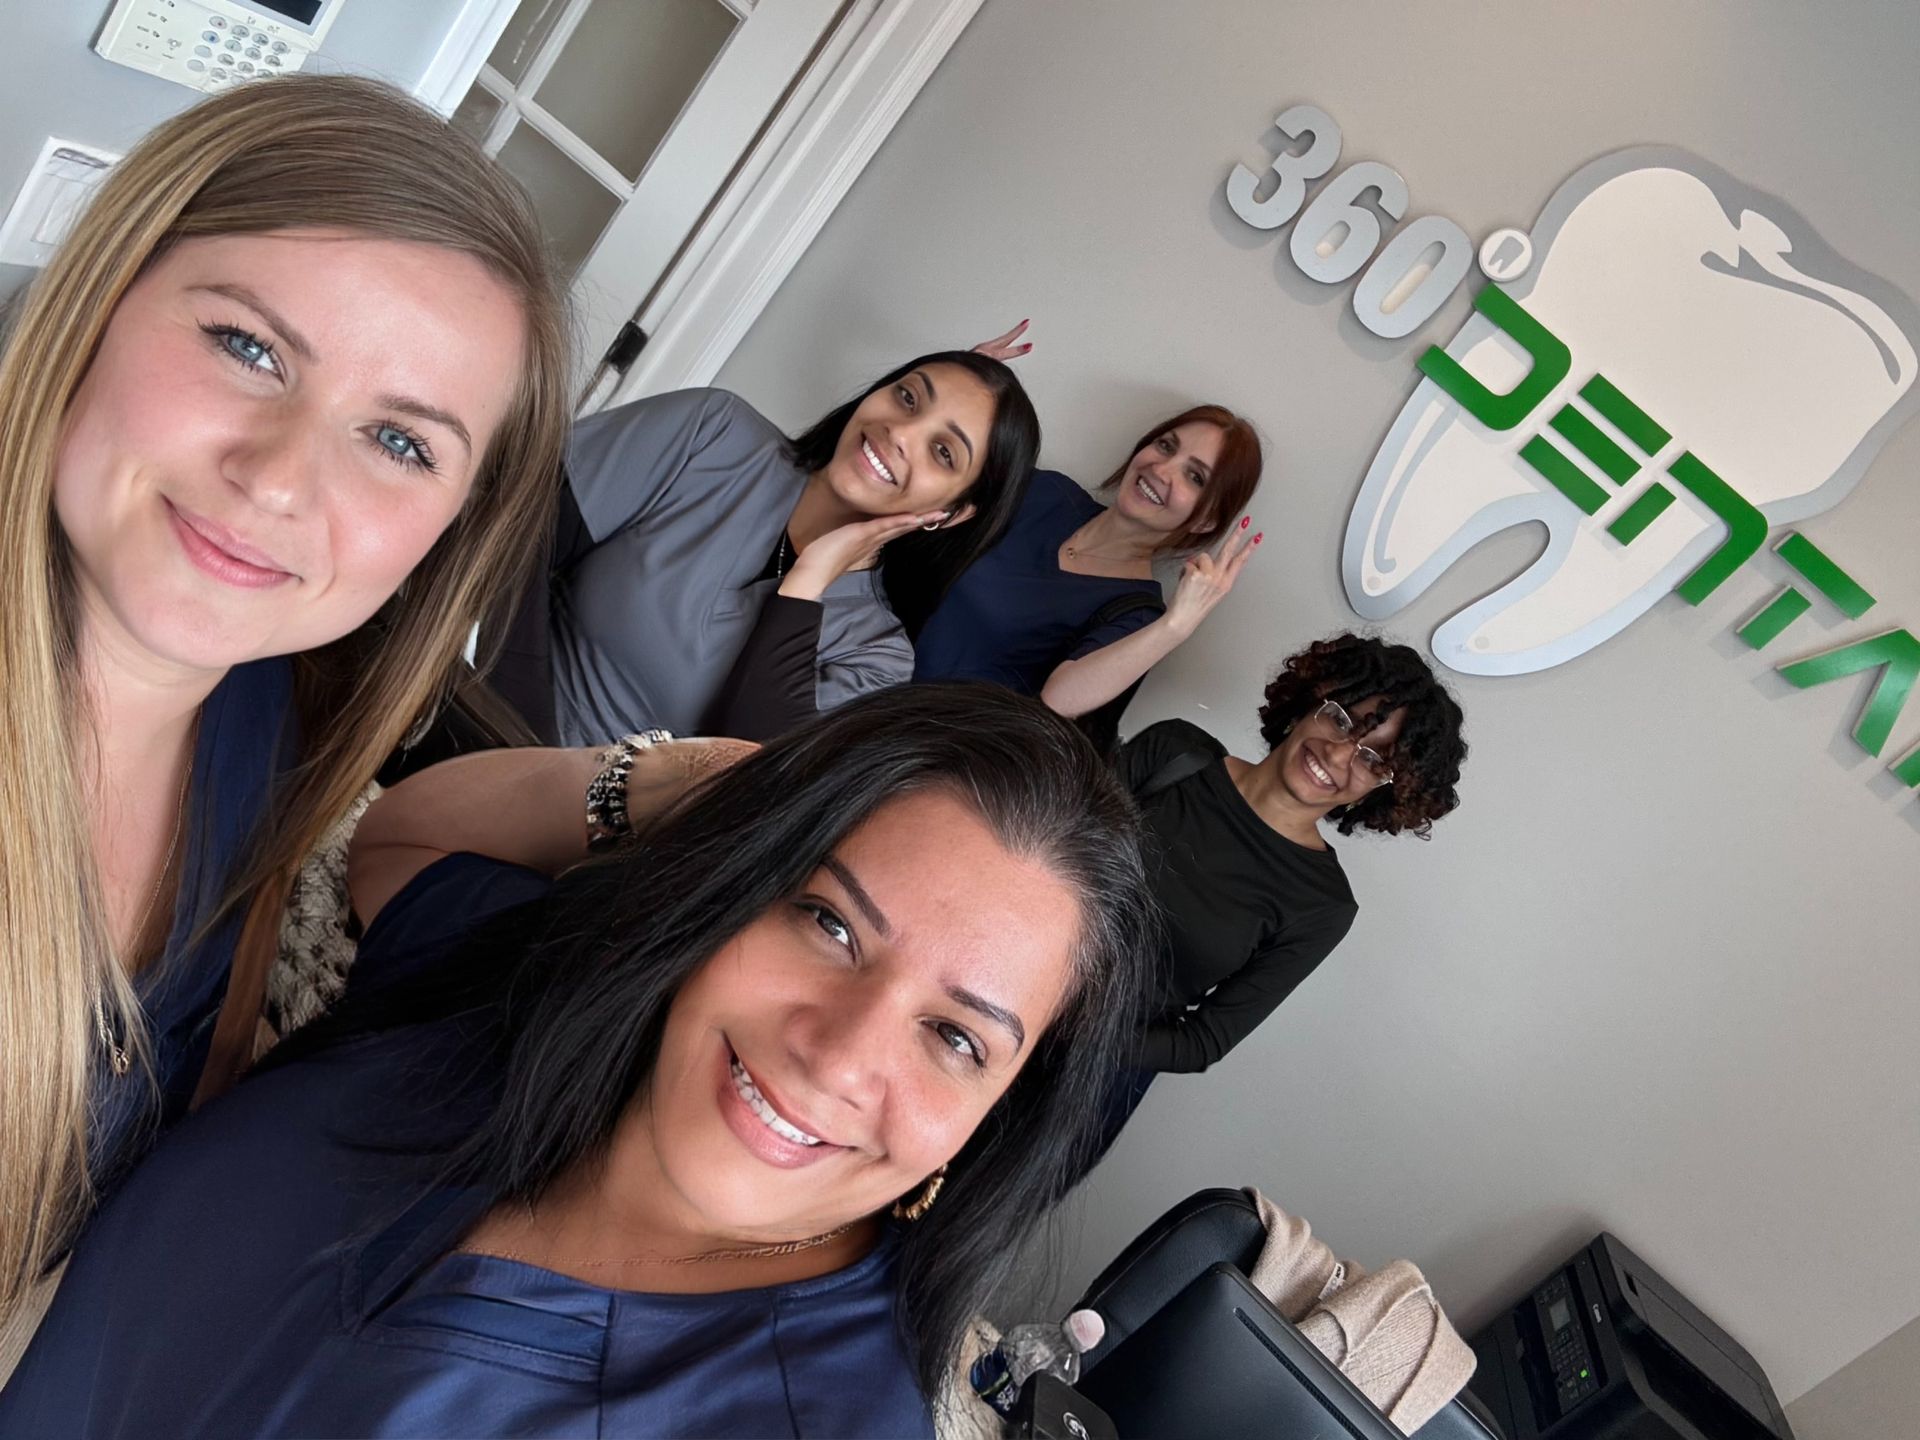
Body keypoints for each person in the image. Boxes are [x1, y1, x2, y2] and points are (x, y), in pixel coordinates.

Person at [0, 685, 1159, 1438]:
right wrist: (664, 790)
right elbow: (401, 841)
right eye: (829, 924)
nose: (837, 1051)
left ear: (995, 1119)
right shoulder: (547, 1001)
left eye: (956, 1038)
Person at [0, 74, 571, 1340]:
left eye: (400, 442)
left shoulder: (260, 715)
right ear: (98, 294)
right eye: (247, 346)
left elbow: (397, 833)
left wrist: (654, 782)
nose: (276, 481)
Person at [483, 352, 1041, 750]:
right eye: (907, 396)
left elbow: (747, 774)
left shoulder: (877, 655)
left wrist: (807, 582)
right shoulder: (712, 431)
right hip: (475, 700)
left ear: (953, 512)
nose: (900, 432)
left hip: (585, 842)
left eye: (943, 451)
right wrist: (513, 748)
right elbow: (517, 536)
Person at [1097, 633, 1467, 1151]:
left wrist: (1079, 1037)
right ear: (1310, 701)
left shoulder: (1323, 905)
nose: (1338, 755)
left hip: (1089, 1076)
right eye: (1341, 719)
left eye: (1373, 760)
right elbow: (1041, 856)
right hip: (993, 986)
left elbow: (1203, 1041)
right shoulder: (1174, 751)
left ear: (1385, 790)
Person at [911, 321, 1264, 744]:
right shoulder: (1048, 493)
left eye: (1194, 476)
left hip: (920, 745)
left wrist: (1177, 627)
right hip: (855, 663)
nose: (1162, 469)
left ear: (1207, 519)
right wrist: (956, 393)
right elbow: (932, 501)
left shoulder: (1136, 614)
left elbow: (1061, 700)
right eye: (1166, 446)